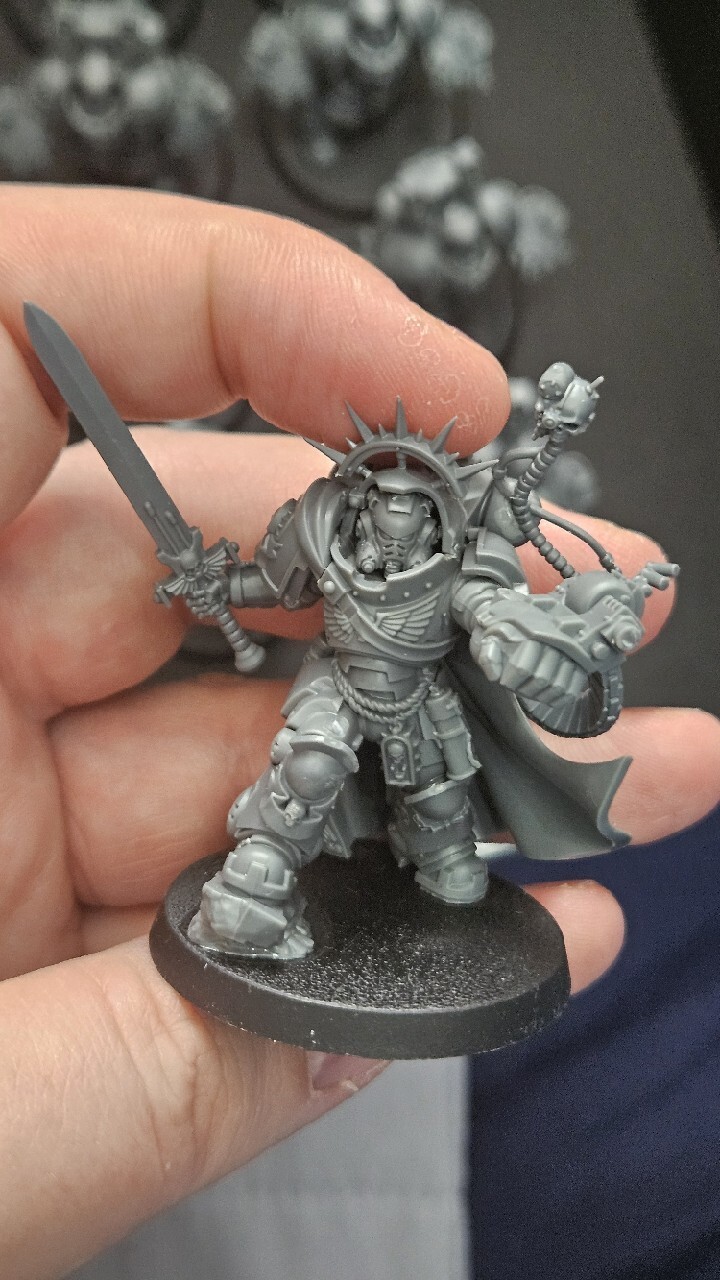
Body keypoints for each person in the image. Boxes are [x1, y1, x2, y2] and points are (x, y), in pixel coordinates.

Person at [0, 185, 717, 1280]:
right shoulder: (318, 530)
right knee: (306, 769)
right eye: (378, 508)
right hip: (338, 682)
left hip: (421, 702)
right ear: (358, 498)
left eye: (408, 514)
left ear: (433, 512)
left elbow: (487, 609)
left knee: (448, 852)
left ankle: (439, 874)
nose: (389, 529)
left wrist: (524, 632)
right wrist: (216, 585)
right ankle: (251, 890)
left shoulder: (457, 559)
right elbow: (272, 583)